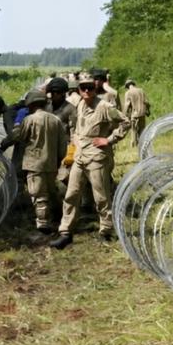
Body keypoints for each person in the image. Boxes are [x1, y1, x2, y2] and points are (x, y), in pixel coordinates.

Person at [50, 76, 130, 249]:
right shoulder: (79, 105)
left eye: (90, 88)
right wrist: (75, 141)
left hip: (97, 157)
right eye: (83, 88)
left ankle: (106, 231)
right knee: (71, 194)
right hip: (80, 156)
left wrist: (109, 140)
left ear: (95, 88)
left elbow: (126, 122)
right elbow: (77, 128)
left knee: (101, 196)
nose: (87, 91)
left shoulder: (104, 107)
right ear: (79, 90)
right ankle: (65, 232)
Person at [12, 89, 67, 233]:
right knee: (51, 191)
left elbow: (20, 138)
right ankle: (59, 217)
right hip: (51, 163)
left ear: (30, 105)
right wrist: (58, 160)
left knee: (39, 195)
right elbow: (63, 145)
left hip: (34, 163)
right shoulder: (56, 120)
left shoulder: (29, 120)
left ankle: (43, 223)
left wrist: (17, 127)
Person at [0, 93, 28, 178]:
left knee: (16, 173)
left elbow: (14, 136)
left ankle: (19, 191)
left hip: (23, 145)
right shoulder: (13, 108)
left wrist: (2, 147)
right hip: (28, 142)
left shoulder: (8, 115)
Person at [122, 78, 150, 147]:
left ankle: (133, 146)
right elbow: (147, 102)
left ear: (127, 86)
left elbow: (126, 106)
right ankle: (142, 146)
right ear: (133, 84)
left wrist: (124, 116)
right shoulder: (141, 90)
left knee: (133, 131)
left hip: (134, 115)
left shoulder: (128, 93)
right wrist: (148, 111)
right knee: (142, 131)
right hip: (142, 114)